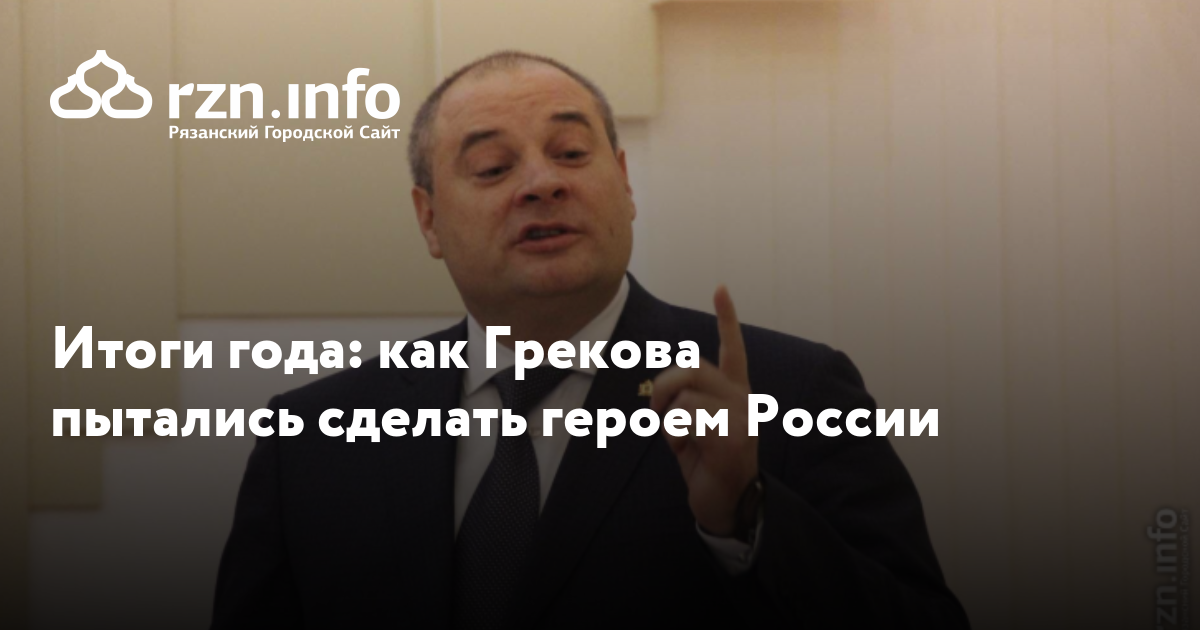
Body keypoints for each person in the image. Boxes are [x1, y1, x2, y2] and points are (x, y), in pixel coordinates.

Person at [211, 50, 969, 629]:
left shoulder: (788, 392)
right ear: (429, 219)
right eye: (492, 167)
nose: (542, 183)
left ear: (625, 183)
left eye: (572, 154)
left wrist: (746, 519)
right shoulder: (311, 438)